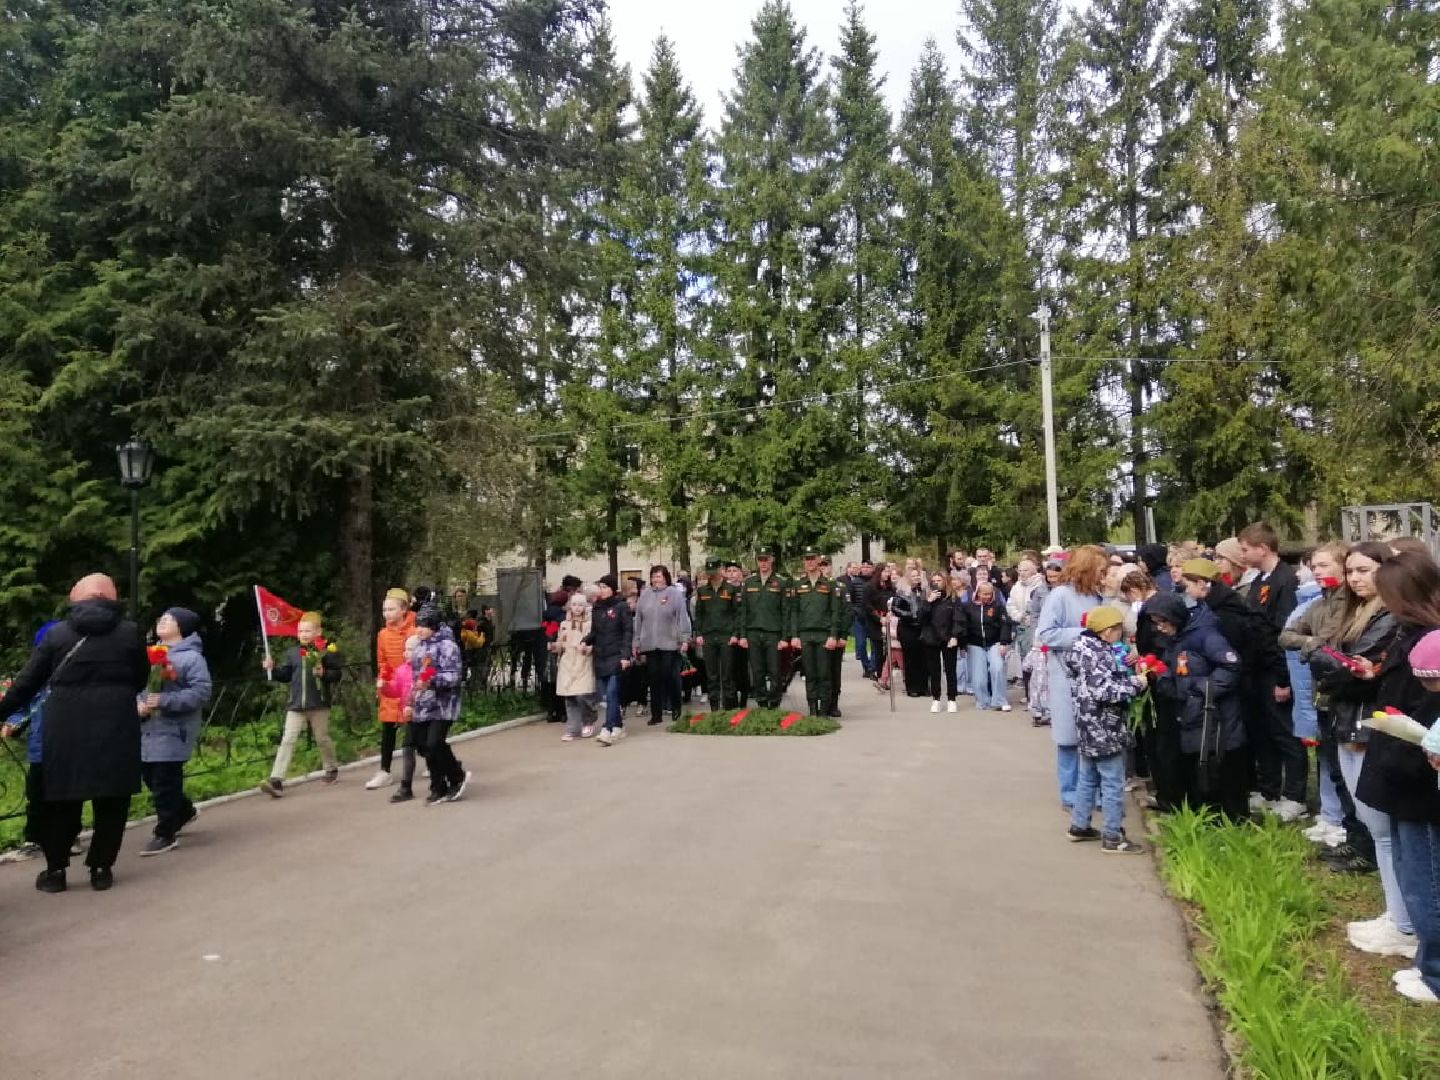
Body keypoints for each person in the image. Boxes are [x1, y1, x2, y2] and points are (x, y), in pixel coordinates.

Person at [0, 574, 148, 893]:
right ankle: (101, 869)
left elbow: (27, 682)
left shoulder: (57, 634)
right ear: (111, 598)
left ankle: (55, 872)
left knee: (60, 800)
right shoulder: (130, 632)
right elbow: (140, 678)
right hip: (116, 725)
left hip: (65, 727)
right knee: (112, 799)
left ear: (75, 599)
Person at [1308, 543, 1412, 950]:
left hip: (1368, 724)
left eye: (1363, 570)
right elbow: (1332, 663)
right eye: (1350, 571)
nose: (1354, 579)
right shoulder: (1354, 612)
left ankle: (1403, 923)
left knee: (1384, 830)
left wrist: (1334, 666)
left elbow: (1348, 669)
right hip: (1348, 719)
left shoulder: (1390, 618)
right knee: (1377, 828)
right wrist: (1334, 665)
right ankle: (1396, 914)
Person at [1357, 552, 1440, 1000]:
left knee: (1428, 880)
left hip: (1419, 775)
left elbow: (1427, 709)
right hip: (1405, 767)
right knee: (1414, 871)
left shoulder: (1430, 644)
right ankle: (1427, 961)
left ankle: (1437, 975)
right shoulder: (1410, 635)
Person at [1147, 592, 1250, 821]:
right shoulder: (1175, 640)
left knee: (1222, 773)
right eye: (1156, 623)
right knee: (1200, 773)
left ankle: (1232, 821)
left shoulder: (1207, 636)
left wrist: (1201, 689)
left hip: (1216, 717)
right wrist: (1162, 676)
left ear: (1175, 617)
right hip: (1192, 716)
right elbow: (1175, 670)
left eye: (1162, 622)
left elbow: (1231, 665)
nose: (1159, 628)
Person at [1281, 544, 1352, 848]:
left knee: (1345, 760)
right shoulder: (1318, 604)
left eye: (1324, 565)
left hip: (1345, 690)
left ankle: (1347, 823)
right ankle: (1332, 816)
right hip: (1320, 688)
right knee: (1328, 758)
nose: (1316, 571)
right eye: (1314, 566)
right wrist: (1313, 643)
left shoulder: (1350, 603)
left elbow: (1335, 640)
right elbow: (1286, 635)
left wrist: (1314, 643)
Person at [1063, 605, 1146, 852]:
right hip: (1104, 725)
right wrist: (1136, 684)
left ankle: (1079, 825)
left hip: (1086, 722)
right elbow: (1104, 690)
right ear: (1107, 631)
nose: (1121, 635)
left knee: (1088, 777)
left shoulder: (1081, 648)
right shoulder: (1098, 653)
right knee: (1112, 781)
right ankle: (1113, 835)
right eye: (1119, 630)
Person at [1239, 521, 1307, 813]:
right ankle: (1269, 790)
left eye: (1245, 549)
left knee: (1285, 732)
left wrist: (1283, 679)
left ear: (1263, 548)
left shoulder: (1285, 580)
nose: (1242, 555)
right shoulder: (1260, 580)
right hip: (1258, 668)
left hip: (1276, 669)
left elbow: (1283, 630)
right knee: (1264, 732)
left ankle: (1294, 796)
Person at [1037, 545, 1109, 809]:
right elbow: (1046, 633)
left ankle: (1095, 792)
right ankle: (1071, 794)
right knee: (1068, 739)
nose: (1103, 575)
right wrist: (1085, 633)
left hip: (1095, 678)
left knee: (1094, 738)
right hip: (1067, 676)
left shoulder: (1100, 597)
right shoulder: (1060, 596)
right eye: (1100, 570)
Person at [137, 607, 211, 856]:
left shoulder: (192, 658)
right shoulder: (149, 653)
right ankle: (184, 811)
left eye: (169, 619)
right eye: (162, 618)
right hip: (147, 727)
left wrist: (165, 701)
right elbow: (137, 686)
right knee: (150, 776)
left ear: (182, 627)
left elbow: (201, 692)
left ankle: (165, 832)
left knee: (164, 780)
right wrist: (138, 704)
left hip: (173, 729)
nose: (162, 621)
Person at [259, 612, 343, 797]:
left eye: (307, 631)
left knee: (322, 738)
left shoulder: (327, 651)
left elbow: (336, 674)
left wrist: (323, 674)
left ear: (318, 632)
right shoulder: (293, 653)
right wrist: (272, 669)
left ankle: (331, 768)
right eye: (300, 631)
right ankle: (276, 780)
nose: (303, 634)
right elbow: (286, 675)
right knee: (288, 739)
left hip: (318, 703)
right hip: (296, 705)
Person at [2, 622, 59, 854]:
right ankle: (34, 838)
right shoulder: (34, 678)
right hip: (39, 746)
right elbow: (21, 705)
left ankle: (66, 837)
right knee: (36, 793)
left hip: (66, 745)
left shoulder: (71, 676)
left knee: (64, 795)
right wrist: (12, 722)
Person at [409, 603, 471, 804]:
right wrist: (410, 695)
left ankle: (456, 776)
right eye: (417, 625)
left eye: (424, 625)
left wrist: (433, 681)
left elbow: (453, 676)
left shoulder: (448, 646)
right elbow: (413, 675)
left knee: (434, 743)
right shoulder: (419, 647)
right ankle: (438, 786)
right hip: (423, 703)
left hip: (443, 703)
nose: (419, 630)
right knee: (423, 744)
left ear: (434, 625)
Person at [788, 548, 847, 717]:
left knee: (824, 674)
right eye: (807, 559)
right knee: (810, 674)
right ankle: (812, 709)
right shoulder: (798, 584)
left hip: (823, 634)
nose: (809, 562)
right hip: (805, 634)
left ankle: (824, 711)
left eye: (812, 558)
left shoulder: (829, 584)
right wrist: (794, 635)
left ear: (818, 560)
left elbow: (835, 612)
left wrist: (833, 635)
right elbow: (794, 612)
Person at [367, 588, 415, 790]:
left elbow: (420, 659)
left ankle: (432, 762)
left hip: (410, 685)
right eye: (384, 610)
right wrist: (383, 680)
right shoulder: (382, 635)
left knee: (415, 729)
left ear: (403, 610)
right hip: (391, 686)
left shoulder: (414, 631)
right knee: (387, 728)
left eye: (391, 609)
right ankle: (384, 771)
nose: (386, 613)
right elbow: (382, 661)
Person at [634, 565, 691, 725]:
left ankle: (676, 708)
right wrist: (636, 641)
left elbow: (682, 617)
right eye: (654, 576)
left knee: (669, 677)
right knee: (654, 680)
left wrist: (684, 639)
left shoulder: (674, 594)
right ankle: (656, 714)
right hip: (650, 644)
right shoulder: (645, 595)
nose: (656, 579)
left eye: (659, 576)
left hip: (670, 643)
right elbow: (638, 619)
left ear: (665, 577)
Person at [740, 549, 790, 709]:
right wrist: (743, 635)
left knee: (775, 671)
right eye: (760, 560)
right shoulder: (749, 582)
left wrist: (785, 637)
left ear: (771, 560)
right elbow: (743, 611)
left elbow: (785, 611)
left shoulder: (781, 582)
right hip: (753, 632)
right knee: (757, 670)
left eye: (766, 559)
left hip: (773, 633)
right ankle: (761, 702)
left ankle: (774, 702)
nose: (763, 563)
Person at [587, 575, 634, 746]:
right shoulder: (597, 608)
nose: (602, 590)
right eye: (601, 587)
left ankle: (607, 728)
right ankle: (618, 726)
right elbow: (594, 632)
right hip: (601, 656)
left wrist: (625, 656)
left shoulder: (621, 606)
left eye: (605, 587)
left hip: (616, 655)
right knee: (607, 695)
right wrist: (585, 641)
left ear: (613, 589)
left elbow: (628, 631)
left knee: (613, 691)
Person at [693, 558, 737, 712]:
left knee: (727, 674)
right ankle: (714, 708)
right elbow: (699, 614)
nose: (712, 575)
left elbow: (736, 614)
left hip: (726, 636)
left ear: (720, 570)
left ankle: (729, 707)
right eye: (709, 572)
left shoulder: (731, 589)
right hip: (709, 636)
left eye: (714, 571)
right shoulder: (702, 590)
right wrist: (698, 633)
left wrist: (735, 634)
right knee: (711, 674)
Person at [962, 581, 1014, 711]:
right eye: (984, 594)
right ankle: (982, 701)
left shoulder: (998, 606)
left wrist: (1003, 643)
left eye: (989, 594)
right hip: (975, 644)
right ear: (978, 593)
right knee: (978, 676)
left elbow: (1005, 625)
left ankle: (999, 700)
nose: (986, 596)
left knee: (997, 668)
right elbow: (963, 626)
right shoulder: (968, 607)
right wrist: (963, 645)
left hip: (994, 643)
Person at [552, 593, 596, 741]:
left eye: (580, 605)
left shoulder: (590, 624)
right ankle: (573, 730)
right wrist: (556, 646)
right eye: (574, 604)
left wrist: (587, 649)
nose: (577, 608)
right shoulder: (564, 624)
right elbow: (560, 642)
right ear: (570, 606)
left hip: (584, 662)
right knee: (570, 697)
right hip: (567, 663)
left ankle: (588, 720)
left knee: (583, 695)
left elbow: (594, 642)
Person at [920, 572, 957, 713]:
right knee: (934, 670)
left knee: (950, 669)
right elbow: (920, 618)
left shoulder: (952, 598)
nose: (936, 583)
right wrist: (928, 602)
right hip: (931, 637)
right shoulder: (926, 597)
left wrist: (955, 635)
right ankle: (936, 698)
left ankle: (952, 699)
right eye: (934, 580)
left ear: (945, 581)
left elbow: (958, 618)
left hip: (948, 638)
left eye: (939, 580)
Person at [893, 568, 928, 698]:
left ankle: (924, 687)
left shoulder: (923, 591)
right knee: (910, 658)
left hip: (922, 627)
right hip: (908, 628)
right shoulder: (902, 592)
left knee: (923, 657)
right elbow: (895, 608)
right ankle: (912, 687)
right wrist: (909, 615)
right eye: (913, 576)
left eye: (917, 575)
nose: (916, 578)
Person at [863, 564, 897, 689]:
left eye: (888, 572)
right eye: (885, 571)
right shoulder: (869, 587)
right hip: (876, 623)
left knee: (888, 651)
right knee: (879, 651)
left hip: (889, 621)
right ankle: (879, 675)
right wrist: (879, 618)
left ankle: (884, 677)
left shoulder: (890, 588)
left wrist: (891, 614)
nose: (887, 574)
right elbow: (867, 606)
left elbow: (894, 602)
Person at [841, 561, 876, 679]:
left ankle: (872, 668)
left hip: (873, 618)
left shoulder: (875, 582)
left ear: (872, 568)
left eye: (868, 567)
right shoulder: (855, 582)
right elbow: (850, 600)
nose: (866, 569)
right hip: (859, 618)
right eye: (863, 567)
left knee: (875, 644)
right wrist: (854, 611)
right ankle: (866, 666)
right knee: (860, 645)